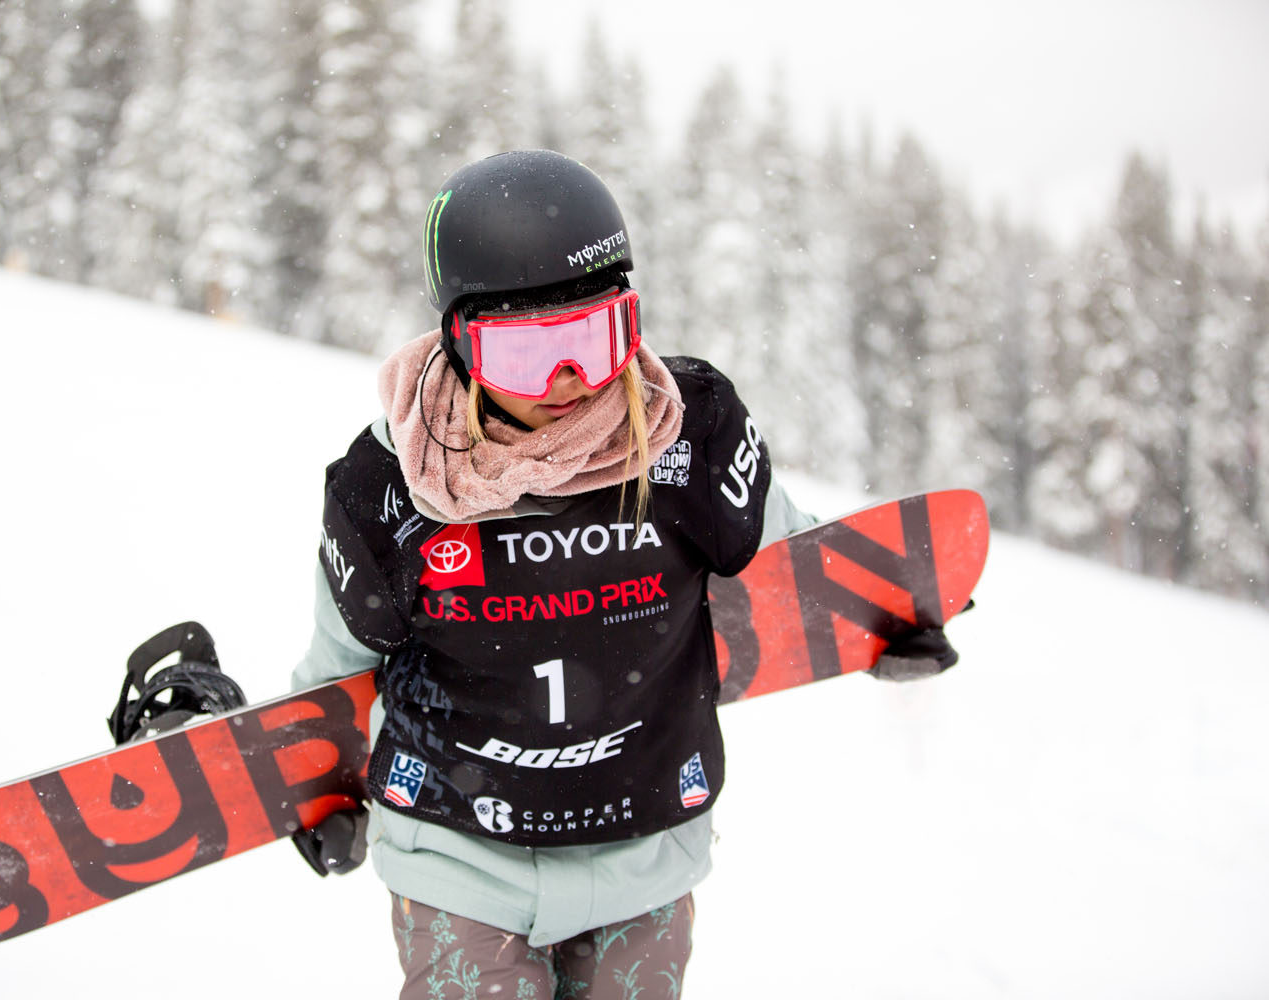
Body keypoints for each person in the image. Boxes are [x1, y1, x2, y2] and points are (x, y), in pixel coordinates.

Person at [290, 149, 962, 998]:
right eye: (527, 354)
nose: (569, 380)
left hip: (644, 846)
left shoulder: (691, 439)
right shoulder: (389, 491)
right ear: (458, 341)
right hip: (459, 853)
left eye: (593, 338)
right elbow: (340, 659)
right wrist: (316, 787)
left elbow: (792, 558)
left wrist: (884, 619)